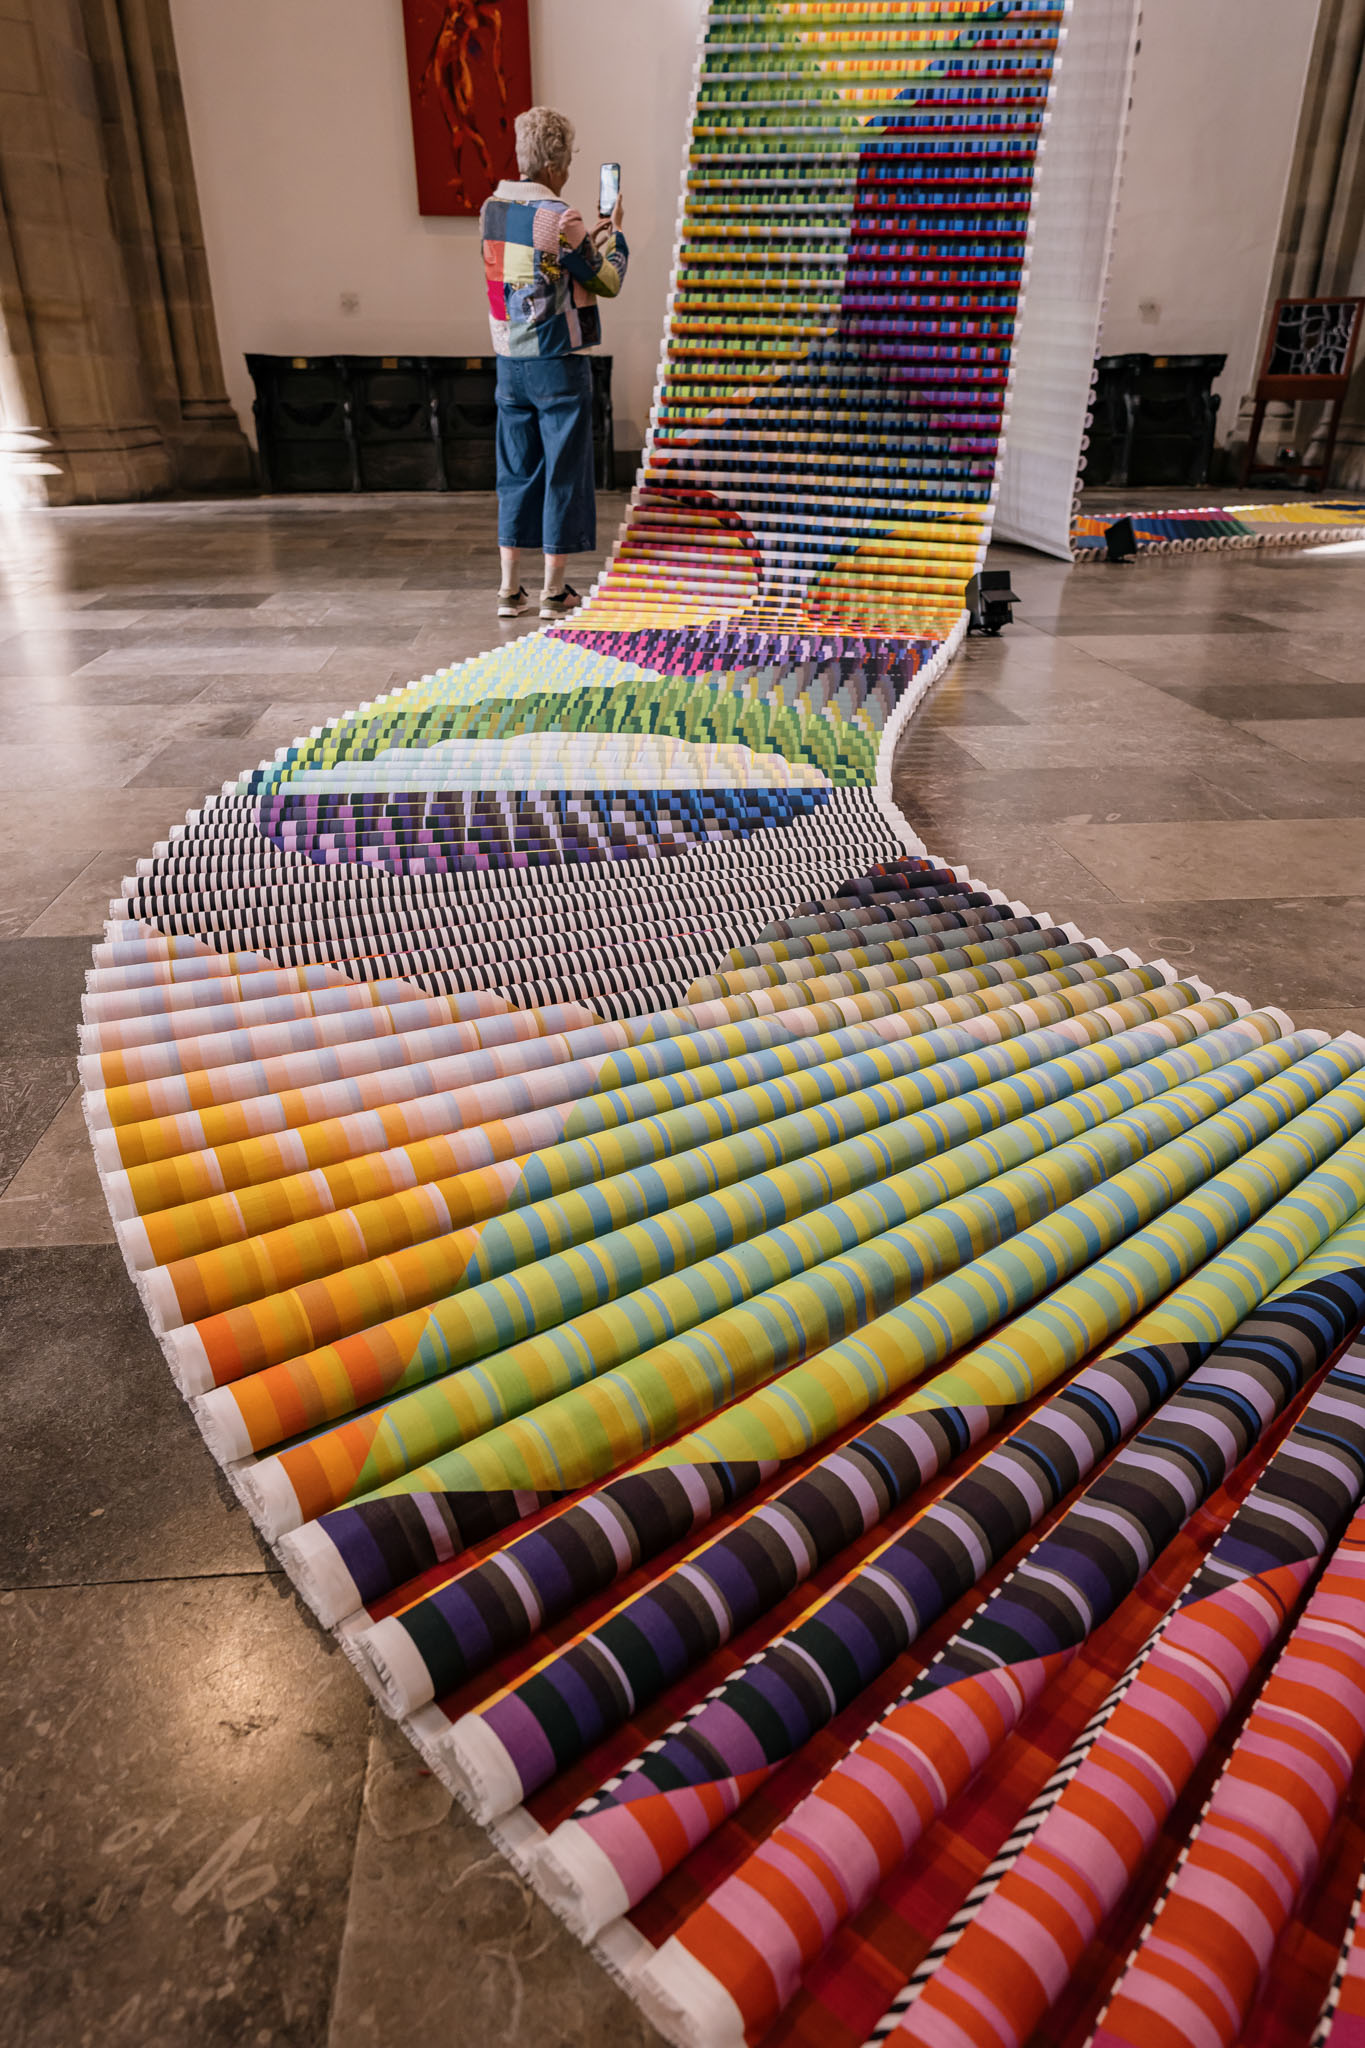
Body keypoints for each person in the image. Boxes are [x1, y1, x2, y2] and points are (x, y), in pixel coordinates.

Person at [479, 106, 628, 620]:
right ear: (553, 165)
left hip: (508, 360)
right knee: (563, 472)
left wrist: (586, 246)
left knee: (515, 472)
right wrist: (616, 235)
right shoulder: (562, 216)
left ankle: (508, 590)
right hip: (556, 362)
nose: (566, 172)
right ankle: (553, 591)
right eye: (566, 163)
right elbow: (606, 280)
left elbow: (537, 272)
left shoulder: (491, 208)